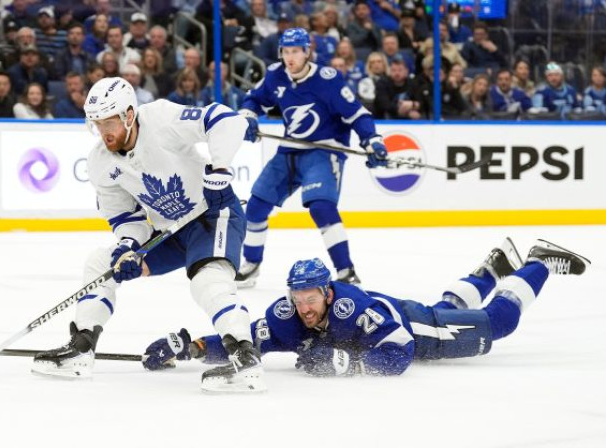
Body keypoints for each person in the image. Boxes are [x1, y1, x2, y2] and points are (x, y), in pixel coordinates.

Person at [31, 76, 266, 393]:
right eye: (97, 123)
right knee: (102, 264)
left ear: (129, 115)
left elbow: (225, 120)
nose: (103, 132)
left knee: (207, 280)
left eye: (109, 122)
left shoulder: (160, 118)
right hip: (168, 230)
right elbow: (125, 216)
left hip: (212, 213)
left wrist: (220, 171)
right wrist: (128, 246)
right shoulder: (100, 162)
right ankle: (82, 348)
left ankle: (245, 358)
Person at [143, 239, 590, 377]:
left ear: (329, 293)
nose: (305, 309)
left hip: (416, 330)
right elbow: (241, 341)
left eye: (312, 299)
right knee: (449, 304)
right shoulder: (286, 316)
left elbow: (400, 353)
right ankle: (492, 269)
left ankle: (535, 262)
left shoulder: (353, 307)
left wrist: (346, 363)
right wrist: (192, 346)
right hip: (406, 311)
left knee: (497, 323)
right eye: (298, 301)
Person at [235, 27, 389, 288]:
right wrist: (248, 117)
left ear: (307, 52)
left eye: (296, 51)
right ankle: (251, 265)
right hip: (289, 150)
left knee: (321, 207)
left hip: (324, 150)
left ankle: (346, 271)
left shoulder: (328, 80)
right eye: (286, 51)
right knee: (256, 207)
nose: (290, 57)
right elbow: (253, 100)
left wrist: (372, 140)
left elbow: (357, 114)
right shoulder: (275, 75)